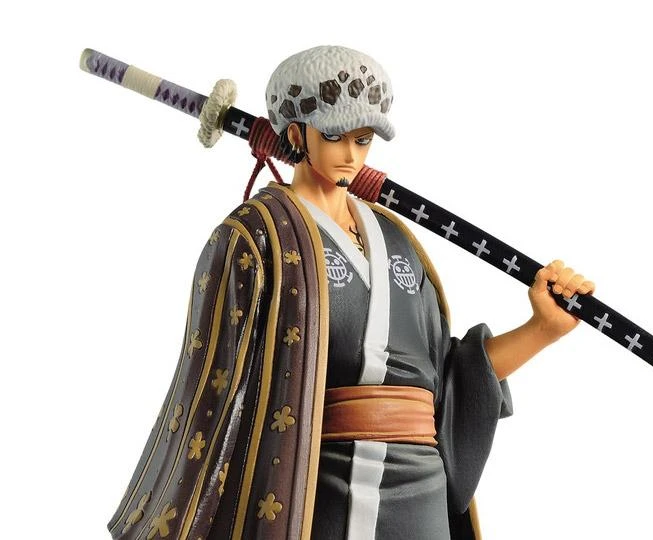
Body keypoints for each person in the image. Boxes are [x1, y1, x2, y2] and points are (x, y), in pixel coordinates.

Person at [107, 45, 594, 540]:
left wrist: (542, 329)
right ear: (295, 134)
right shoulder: (255, 236)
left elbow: (450, 382)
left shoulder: (396, 240)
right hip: (319, 488)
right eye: (333, 135)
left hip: (422, 491)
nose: (350, 155)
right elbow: (216, 383)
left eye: (363, 140)